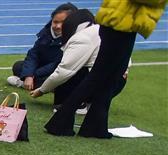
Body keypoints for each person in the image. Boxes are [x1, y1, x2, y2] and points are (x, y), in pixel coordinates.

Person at [45, 0, 165, 138]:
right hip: (120, 25)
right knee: (98, 77)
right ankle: (60, 123)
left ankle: (94, 127)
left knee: (110, 79)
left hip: (122, 23)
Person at [31, 11, 122, 109]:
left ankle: (79, 104)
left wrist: (42, 90)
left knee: (68, 74)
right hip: (116, 80)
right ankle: (90, 102)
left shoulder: (82, 38)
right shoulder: (100, 30)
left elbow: (64, 71)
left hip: (103, 82)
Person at [6, 3, 78, 91]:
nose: (58, 26)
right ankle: (36, 83)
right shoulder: (46, 32)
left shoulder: (75, 38)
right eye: (55, 22)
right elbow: (33, 53)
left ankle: (23, 83)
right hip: (42, 67)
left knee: (61, 79)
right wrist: (29, 75)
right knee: (18, 66)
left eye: (63, 23)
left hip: (58, 70)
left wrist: (34, 75)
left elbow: (57, 64)